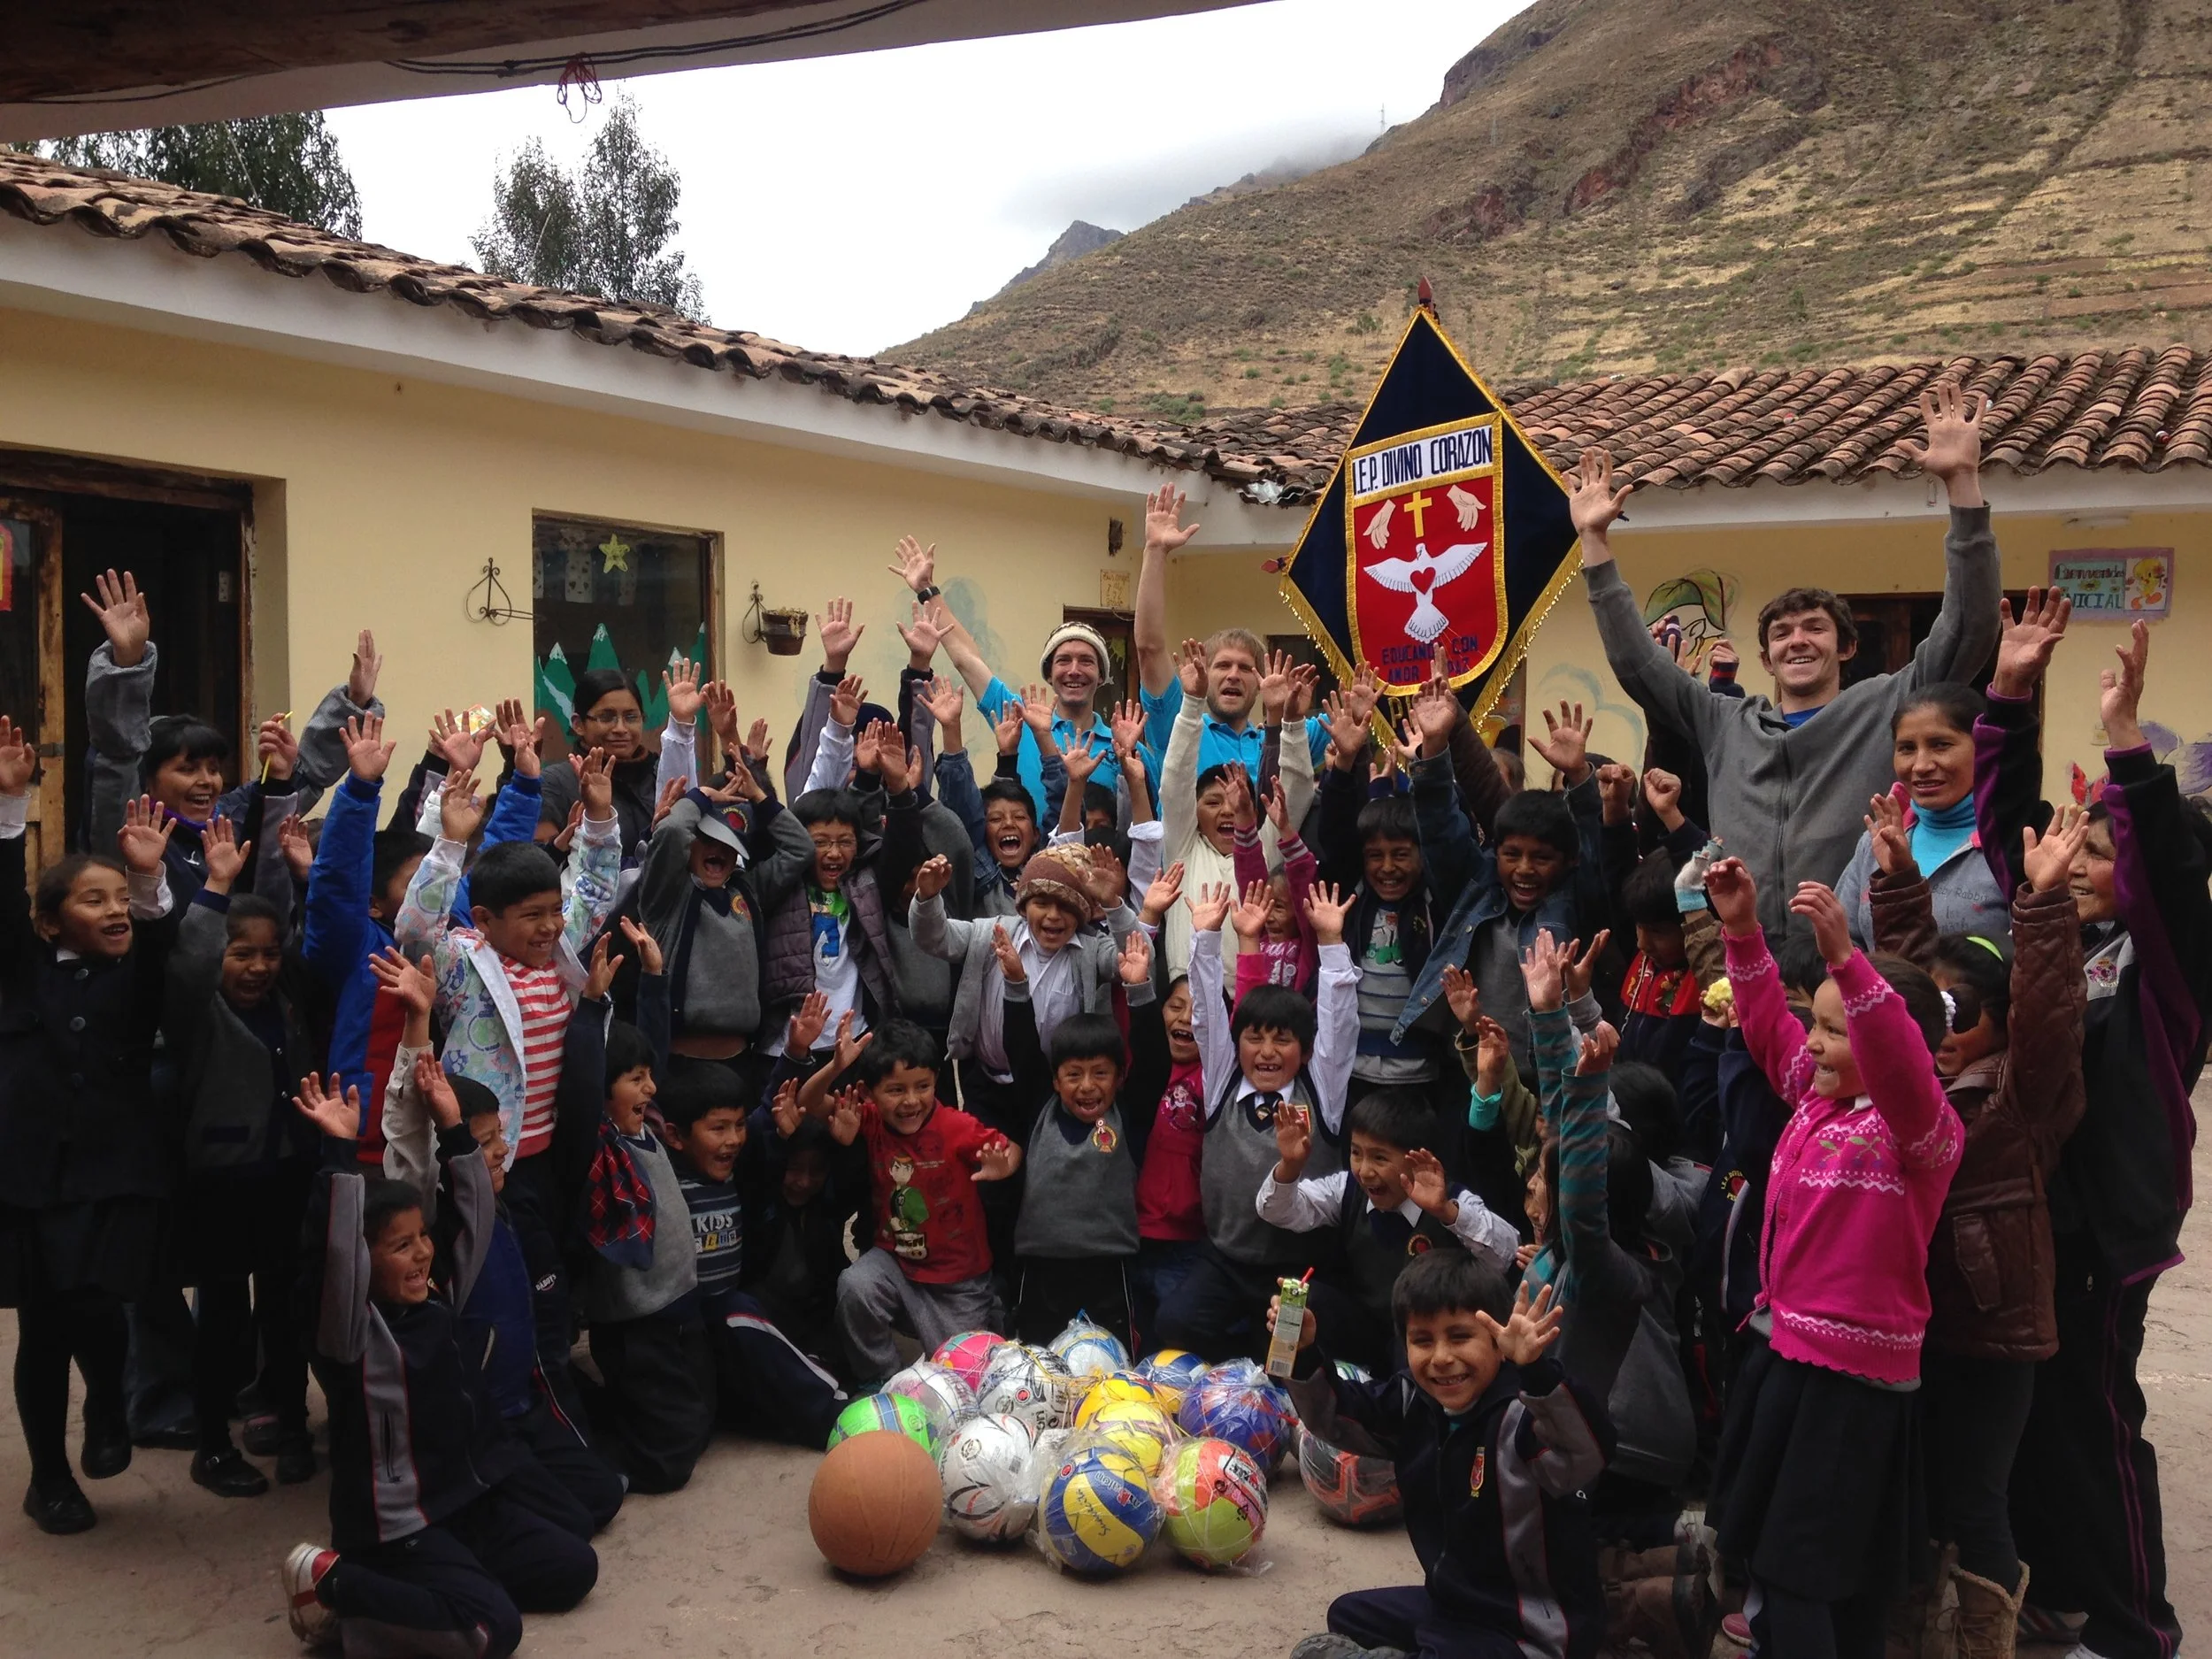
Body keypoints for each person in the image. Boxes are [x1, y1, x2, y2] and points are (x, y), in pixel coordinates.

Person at [1569, 384, 2002, 931]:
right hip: (1744, 963)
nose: (1797, 640)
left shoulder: (1886, 707)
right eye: (1781, 633)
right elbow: (1639, 665)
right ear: (1766, 659)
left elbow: (1970, 627)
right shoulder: (1725, 722)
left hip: (1846, 961)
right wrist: (1594, 542)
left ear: (1846, 647)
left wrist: (1962, 484)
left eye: (1815, 629)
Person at [2008, 620, 2212, 1659]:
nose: (2081, 863)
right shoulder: (2081, 945)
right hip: (2048, 1216)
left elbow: (2168, 870)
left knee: (2097, 1420)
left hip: (2112, 1227)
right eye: (2079, 842)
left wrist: (2126, 739)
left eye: (2101, 849)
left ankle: (2137, 1626)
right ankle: (2061, 1593)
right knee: (2042, 1414)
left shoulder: (2165, 971)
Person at [1703, 855, 1962, 1659]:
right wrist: (1743, 931)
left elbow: (1899, 1068)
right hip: (1787, 1357)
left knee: (1802, 1573)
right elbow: (1768, 1027)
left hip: (1853, 1388)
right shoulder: (1819, 1097)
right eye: (1817, 1022)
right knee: (1791, 1568)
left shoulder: (1919, 1130)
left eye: (1834, 1025)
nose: (1812, 1040)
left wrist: (1851, 963)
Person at [1867, 780, 2090, 1656]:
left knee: (1976, 1500)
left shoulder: (2019, 1103)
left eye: (1969, 1013)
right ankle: (1916, 1632)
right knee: (1913, 1489)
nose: (1945, 1027)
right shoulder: (1910, 1094)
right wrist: (1893, 883)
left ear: (2001, 1025)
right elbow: (1911, 991)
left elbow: (2049, 1018)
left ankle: (1984, 1639)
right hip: (1910, 1327)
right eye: (1936, 1014)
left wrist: (2042, 904)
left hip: (1993, 1335)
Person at [284, 1072, 597, 1658]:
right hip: (397, 1528)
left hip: (463, 1503)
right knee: (492, 1631)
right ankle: (337, 1586)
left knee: (574, 1566)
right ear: (363, 1261)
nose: (423, 1251)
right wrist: (338, 1154)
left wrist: (454, 1126)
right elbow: (333, 1254)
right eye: (400, 1245)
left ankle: (429, 1591)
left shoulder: (435, 1300)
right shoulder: (350, 1333)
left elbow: (476, 1210)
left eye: (422, 1236)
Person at [2, 724, 181, 1534]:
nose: (113, 910)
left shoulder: (132, 979)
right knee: (45, 1325)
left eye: (120, 898)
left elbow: (159, 943)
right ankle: (49, 1478)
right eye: (93, 897)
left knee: (103, 1304)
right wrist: (12, 809)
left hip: (120, 1169)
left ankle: (109, 1400)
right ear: (49, 923)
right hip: (37, 1176)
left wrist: (146, 883)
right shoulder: (19, 975)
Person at [1281, 1258, 1613, 1659]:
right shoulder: (1415, 1402)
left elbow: (1585, 1453)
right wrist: (1301, 1352)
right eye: (1422, 1340)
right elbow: (1335, 1418)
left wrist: (1539, 1372)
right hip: (1454, 1603)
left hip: (1529, 1627)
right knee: (1348, 1615)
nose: (1440, 1357)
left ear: (1498, 1341)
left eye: (1459, 1337)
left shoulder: (1523, 1416)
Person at [166, 816, 322, 1496]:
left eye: (268, 953)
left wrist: (306, 876)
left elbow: (309, 939)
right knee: (223, 1318)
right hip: (221, 1183)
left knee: (287, 1312)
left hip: (289, 1175)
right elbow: (193, 960)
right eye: (242, 954)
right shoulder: (197, 1011)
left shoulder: (289, 1000)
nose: (259, 966)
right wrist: (217, 887)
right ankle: (212, 1442)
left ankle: (291, 1425)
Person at [1150, 879, 1359, 1361]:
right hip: (1223, 1257)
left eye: (1282, 1040)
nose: (1266, 1052)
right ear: (1236, 1042)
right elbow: (1205, 1015)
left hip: (1297, 1269)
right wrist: (1205, 937)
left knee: (1282, 1356)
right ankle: (1232, 1368)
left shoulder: (1320, 1094)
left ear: (1305, 1051)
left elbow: (1340, 1024)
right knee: (1174, 1322)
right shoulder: (1222, 1080)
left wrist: (1330, 941)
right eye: (1255, 1038)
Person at [1394, 677, 1606, 1079]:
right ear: (1495, 851)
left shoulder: (1573, 896)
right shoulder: (1478, 886)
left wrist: (1579, 777)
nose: (1524, 869)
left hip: (1547, 1074)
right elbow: (1441, 827)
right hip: (1470, 1064)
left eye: (1541, 858)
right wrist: (1435, 749)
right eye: (1512, 855)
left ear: (1567, 861)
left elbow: (1594, 847)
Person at [800, 1018, 1021, 1388]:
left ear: (937, 1081)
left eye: (923, 1086)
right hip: (897, 1268)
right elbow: (808, 1102)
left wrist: (1003, 1167)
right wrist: (836, 1067)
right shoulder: (868, 1120)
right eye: (895, 1090)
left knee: (966, 1382)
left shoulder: (957, 1127)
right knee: (856, 1286)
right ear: (870, 1093)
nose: (911, 1100)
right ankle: (883, 1380)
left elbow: (1011, 1149)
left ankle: (990, 1314)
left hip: (958, 1281)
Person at [656, 1062, 850, 1447]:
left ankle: (836, 1412)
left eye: (738, 1126)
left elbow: (767, 1120)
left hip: (733, 1318)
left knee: (743, 1312)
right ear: (676, 1136)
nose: (732, 1139)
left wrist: (795, 1056)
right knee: (693, 1429)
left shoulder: (736, 1176)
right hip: (685, 1328)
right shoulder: (666, 1180)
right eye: (718, 1128)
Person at [1257, 1087, 1518, 1371]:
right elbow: (1276, 1210)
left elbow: (1507, 1253)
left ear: (1418, 1158)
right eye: (1357, 1153)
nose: (1365, 1170)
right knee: (1300, 1300)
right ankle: (1292, 1388)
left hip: (1427, 1335)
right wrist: (1291, 1165)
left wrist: (1446, 1212)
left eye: (1380, 1158)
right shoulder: (1347, 1189)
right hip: (1364, 1326)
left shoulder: (1452, 1198)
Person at [995, 926, 1166, 1348]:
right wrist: (1016, 984)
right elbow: (1021, 1048)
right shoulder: (1041, 1111)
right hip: (1040, 1269)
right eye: (1073, 1074)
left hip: (1111, 1270)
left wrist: (1140, 988)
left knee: (1110, 1369)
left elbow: (1155, 1062)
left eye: (1100, 1073)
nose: (1087, 1086)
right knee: (1038, 1369)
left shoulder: (1129, 1115)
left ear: (1120, 1079)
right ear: (1055, 1080)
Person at [889, 534, 1121, 813]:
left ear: (1102, 674)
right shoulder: (1018, 719)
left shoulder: (1123, 747)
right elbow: (968, 660)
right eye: (1063, 660)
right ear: (1049, 673)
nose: (1074, 670)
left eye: (1086, 661)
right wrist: (927, 590)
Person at [1133, 484, 1333, 777]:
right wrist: (1155, 550)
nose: (1233, 675)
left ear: (1262, 681)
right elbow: (1149, 649)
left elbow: (1358, 707)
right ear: (1204, 673)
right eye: (1223, 665)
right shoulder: (1180, 729)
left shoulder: (1282, 738)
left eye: (1245, 668)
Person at [1156, 641, 1317, 974]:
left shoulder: (1263, 852)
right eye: (1213, 802)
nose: (1227, 811)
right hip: (1185, 999)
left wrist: (1294, 722)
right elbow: (1175, 780)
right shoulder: (1182, 849)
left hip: (1248, 1003)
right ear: (1195, 813)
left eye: (1236, 801)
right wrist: (1191, 704)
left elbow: (1297, 791)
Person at [1832, 681, 2011, 950]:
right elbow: (1842, 946)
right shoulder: (1877, 842)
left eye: (1941, 745)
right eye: (1907, 748)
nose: (1921, 765)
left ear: (1982, 749)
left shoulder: (2013, 845)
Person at [534, 667, 664, 864]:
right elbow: (538, 864)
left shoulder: (660, 773)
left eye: (631, 717)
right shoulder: (556, 783)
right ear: (578, 724)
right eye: (606, 717)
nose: (621, 728)